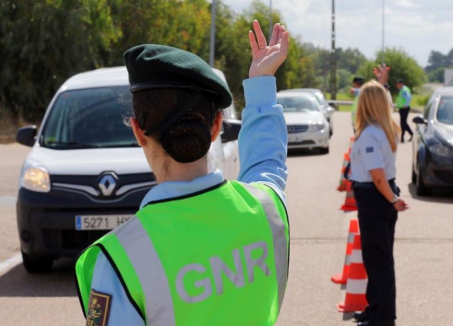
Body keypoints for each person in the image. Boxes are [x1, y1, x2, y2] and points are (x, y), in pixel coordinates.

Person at [75, 20, 291, 325]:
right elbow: (268, 163)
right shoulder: (267, 208)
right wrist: (261, 82)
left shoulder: (118, 260)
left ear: (138, 132)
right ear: (216, 125)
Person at [349, 78, 409, 326]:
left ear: (364, 104)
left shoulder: (370, 134)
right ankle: (375, 310)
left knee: (378, 261)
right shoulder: (386, 128)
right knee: (378, 260)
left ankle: (382, 318)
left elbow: (377, 175)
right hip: (381, 195)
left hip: (376, 197)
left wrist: (393, 199)